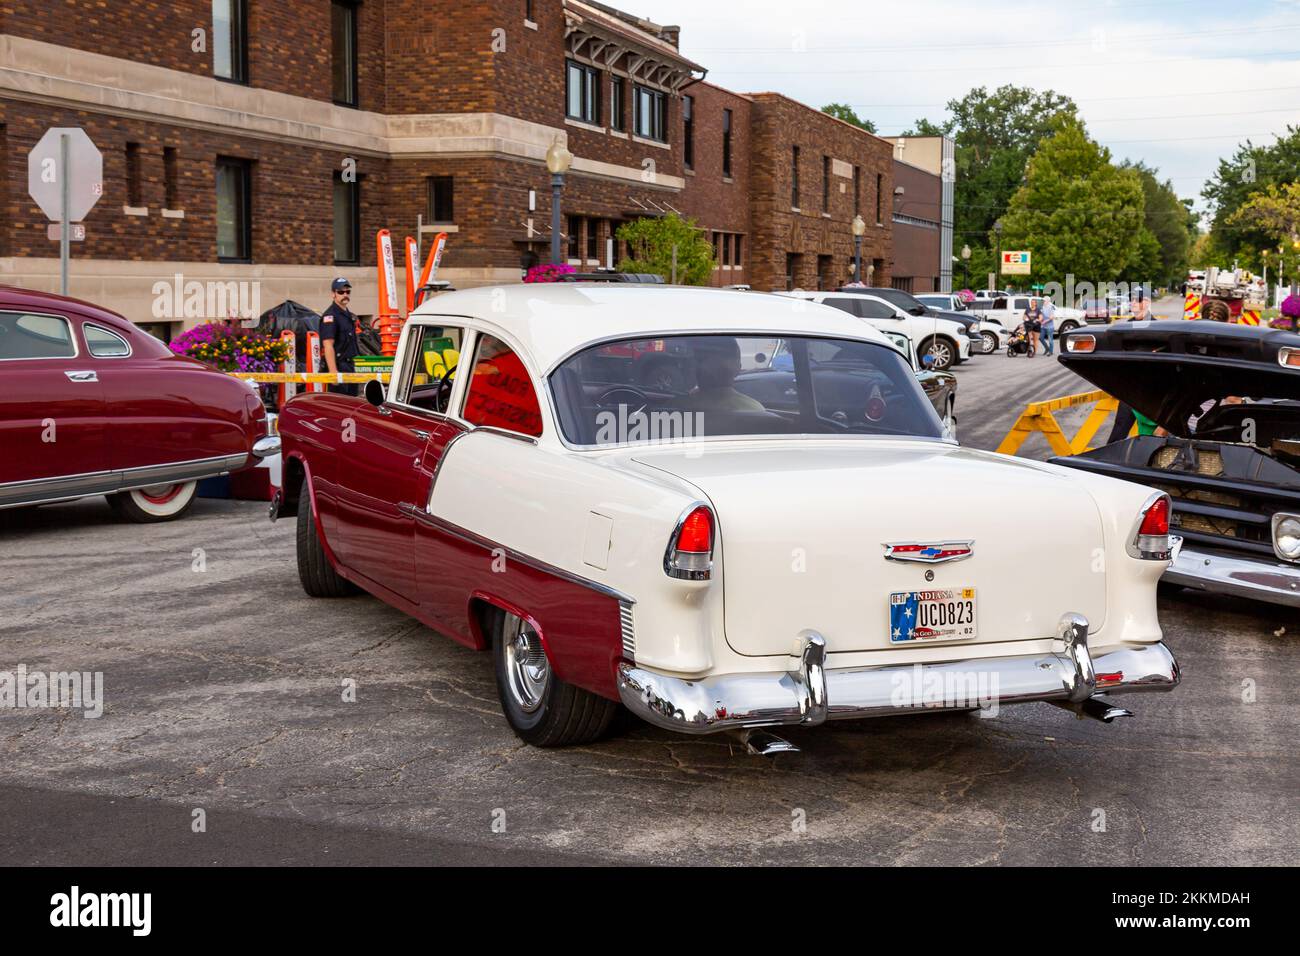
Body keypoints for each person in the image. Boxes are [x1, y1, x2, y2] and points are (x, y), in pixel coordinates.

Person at [321, 277, 360, 396]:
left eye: (348, 292)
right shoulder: (330, 316)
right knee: (339, 407)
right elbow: (328, 345)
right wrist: (333, 373)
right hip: (338, 367)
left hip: (350, 367)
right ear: (333, 294)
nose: (345, 295)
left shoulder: (348, 315)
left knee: (352, 403)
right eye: (341, 292)